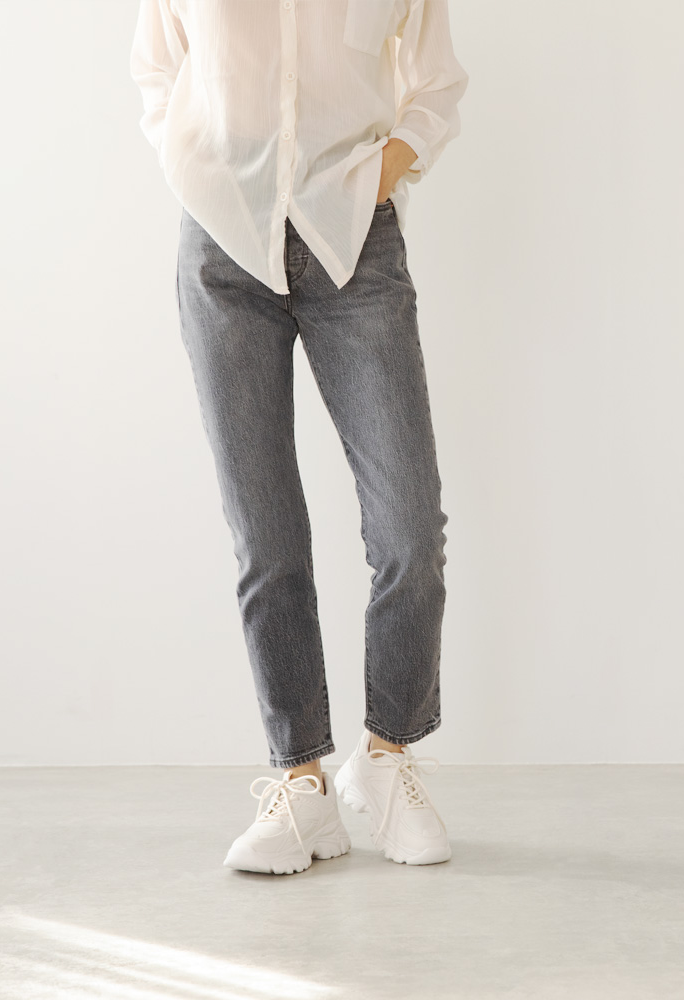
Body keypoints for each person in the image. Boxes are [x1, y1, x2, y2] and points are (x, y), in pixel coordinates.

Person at [129, 0, 468, 875]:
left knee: (409, 530)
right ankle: (301, 782)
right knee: (266, 534)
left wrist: (371, 179)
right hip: (223, 247)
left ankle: (386, 757)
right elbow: (156, 67)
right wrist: (198, 173)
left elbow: (436, 86)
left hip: (352, 242)